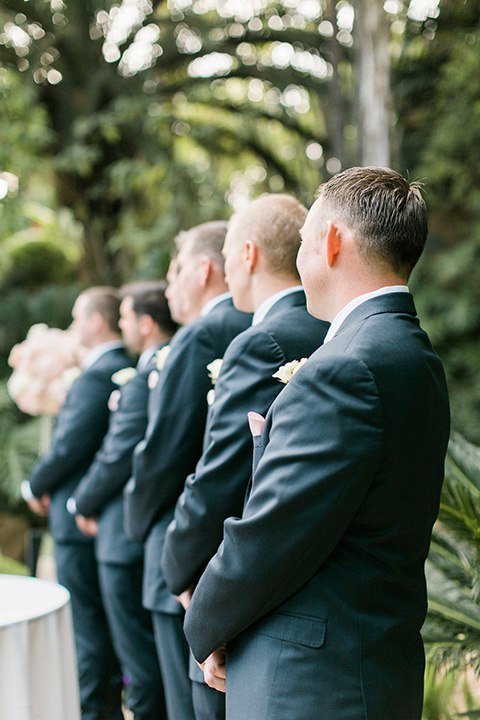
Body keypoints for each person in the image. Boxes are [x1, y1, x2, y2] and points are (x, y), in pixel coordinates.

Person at [184, 167, 451, 720]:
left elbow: (272, 531)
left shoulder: (345, 368)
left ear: (330, 242)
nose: (301, 256)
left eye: (304, 241)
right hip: (374, 662)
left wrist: (205, 624)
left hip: (309, 683)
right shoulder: (414, 355)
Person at [161, 193, 329, 719]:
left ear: (249, 254)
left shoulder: (263, 341)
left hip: (232, 590)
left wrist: (176, 571)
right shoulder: (334, 327)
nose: (226, 267)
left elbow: (219, 476)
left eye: (229, 253)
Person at [123, 221, 252, 720]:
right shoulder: (259, 323)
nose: (168, 286)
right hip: (243, 551)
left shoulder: (198, 337)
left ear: (204, 270)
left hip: (182, 551)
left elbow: (163, 452)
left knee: (188, 705)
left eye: (175, 271)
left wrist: (138, 526)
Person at [68, 281, 178, 720]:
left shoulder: (145, 378)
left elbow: (119, 455)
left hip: (122, 534)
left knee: (139, 661)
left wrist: (82, 503)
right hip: (139, 534)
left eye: (127, 317)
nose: (122, 325)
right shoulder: (144, 371)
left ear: (146, 323)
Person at [25, 287, 132, 720]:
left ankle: (95, 712)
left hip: (78, 517)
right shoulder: (124, 366)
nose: (71, 326)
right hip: (101, 517)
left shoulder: (96, 375)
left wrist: (34, 487)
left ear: (95, 321)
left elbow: (69, 445)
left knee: (87, 628)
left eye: (76, 317)